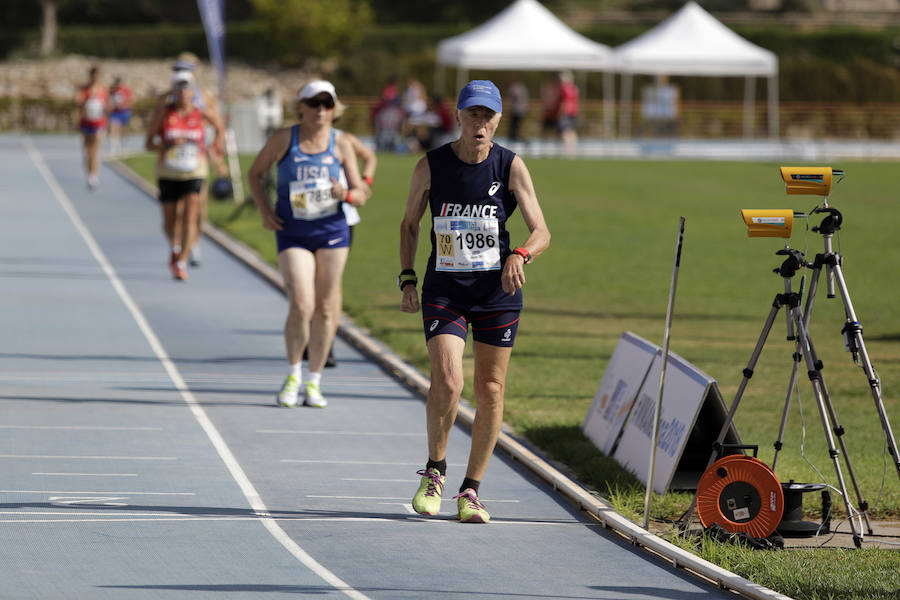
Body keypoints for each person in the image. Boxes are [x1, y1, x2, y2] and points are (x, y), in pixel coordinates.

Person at [399, 80, 550, 523]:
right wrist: (407, 276)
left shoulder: (511, 166)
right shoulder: (431, 166)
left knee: (490, 389)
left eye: (488, 116)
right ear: (459, 117)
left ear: (498, 120)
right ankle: (436, 471)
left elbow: (542, 230)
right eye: (472, 115)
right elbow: (409, 224)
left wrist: (521, 253)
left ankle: (471, 490)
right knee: (448, 380)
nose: (480, 124)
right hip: (445, 288)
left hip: (496, 292)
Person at [248, 80, 367, 408]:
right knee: (302, 303)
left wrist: (348, 194)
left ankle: (314, 381)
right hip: (293, 232)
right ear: (300, 107)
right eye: (314, 104)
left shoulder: (341, 144)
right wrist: (265, 210)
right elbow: (255, 174)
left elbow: (361, 191)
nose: (320, 111)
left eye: (327, 105)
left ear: (335, 109)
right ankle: (293, 374)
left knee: (327, 308)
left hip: (332, 231)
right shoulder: (284, 139)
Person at [147, 52, 227, 268]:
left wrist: (217, 155)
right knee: (175, 214)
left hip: (198, 161)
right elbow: (154, 130)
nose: (182, 72)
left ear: (195, 71)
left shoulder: (205, 97)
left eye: (187, 67)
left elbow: (218, 126)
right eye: (177, 68)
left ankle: (192, 245)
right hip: (171, 165)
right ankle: (178, 245)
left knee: (197, 209)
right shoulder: (166, 99)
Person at [76, 65, 108, 189]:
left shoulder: (102, 90)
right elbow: (78, 103)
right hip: (86, 122)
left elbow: (108, 107)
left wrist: (102, 107)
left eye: (97, 75)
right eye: (93, 75)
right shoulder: (84, 89)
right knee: (87, 151)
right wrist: (88, 100)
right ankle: (89, 171)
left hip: (99, 123)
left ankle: (93, 175)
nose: (95, 77)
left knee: (95, 150)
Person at [107, 76, 133, 156]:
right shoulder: (112, 90)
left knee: (124, 130)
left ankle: (124, 146)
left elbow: (129, 100)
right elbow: (109, 100)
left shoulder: (126, 90)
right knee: (113, 129)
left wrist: (125, 107)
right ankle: (113, 147)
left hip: (124, 112)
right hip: (115, 112)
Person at [557, 71, 580, 155]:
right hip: (574, 112)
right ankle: (574, 150)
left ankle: (568, 151)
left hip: (566, 112)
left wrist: (561, 112)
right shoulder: (575, 88)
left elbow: (564, 101)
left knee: (565, 132)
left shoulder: (564, 88)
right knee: (572, 131)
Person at [506, 77, 529, 141]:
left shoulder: (514, 88)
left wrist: (511, 105)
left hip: (517, 109)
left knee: (515, 125)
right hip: (520, 109)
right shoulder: (520, 87)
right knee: (515, 125)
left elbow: (515, 98)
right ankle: (514, 136)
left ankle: (515, 137)